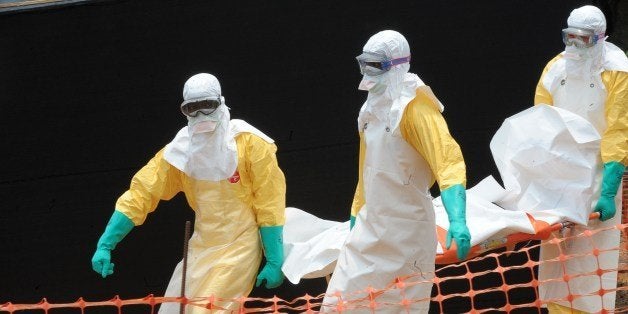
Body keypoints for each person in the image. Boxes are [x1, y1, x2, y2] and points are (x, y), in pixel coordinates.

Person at [90, 73, 286, 313]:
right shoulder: (179, 152)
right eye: (192, 108)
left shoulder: (251, 144)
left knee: (206, 311)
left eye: (208, 105)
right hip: (201, 246)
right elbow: (142, 192)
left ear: (220, 102)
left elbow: (269, 201)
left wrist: (274, 258)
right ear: (184, 110)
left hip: (240, 245)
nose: (201, 114)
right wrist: (107, 243)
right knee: (172, 310)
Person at [322, 30, 471, 313]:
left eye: (375, 65)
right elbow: (366, 171)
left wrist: (458, 219)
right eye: (364, 64)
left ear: (397, 65)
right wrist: (356, 217)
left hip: (407, 234)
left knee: (398, 307)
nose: (367, 72)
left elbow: (448, 162)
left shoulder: (416, 109)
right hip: (371, 226)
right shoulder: (369, 111)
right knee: (338, 306)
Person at [534, 5, 628, 313]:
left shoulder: (617, 70)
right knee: (557, 276)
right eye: (569, 36)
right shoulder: (554, 69)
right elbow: (539, 123)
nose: (574, 45)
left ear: (600, 38)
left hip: (599, 181)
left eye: (583, 39)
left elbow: (618, 130)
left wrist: (610, 190)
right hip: (560, 180)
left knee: (592, 275)